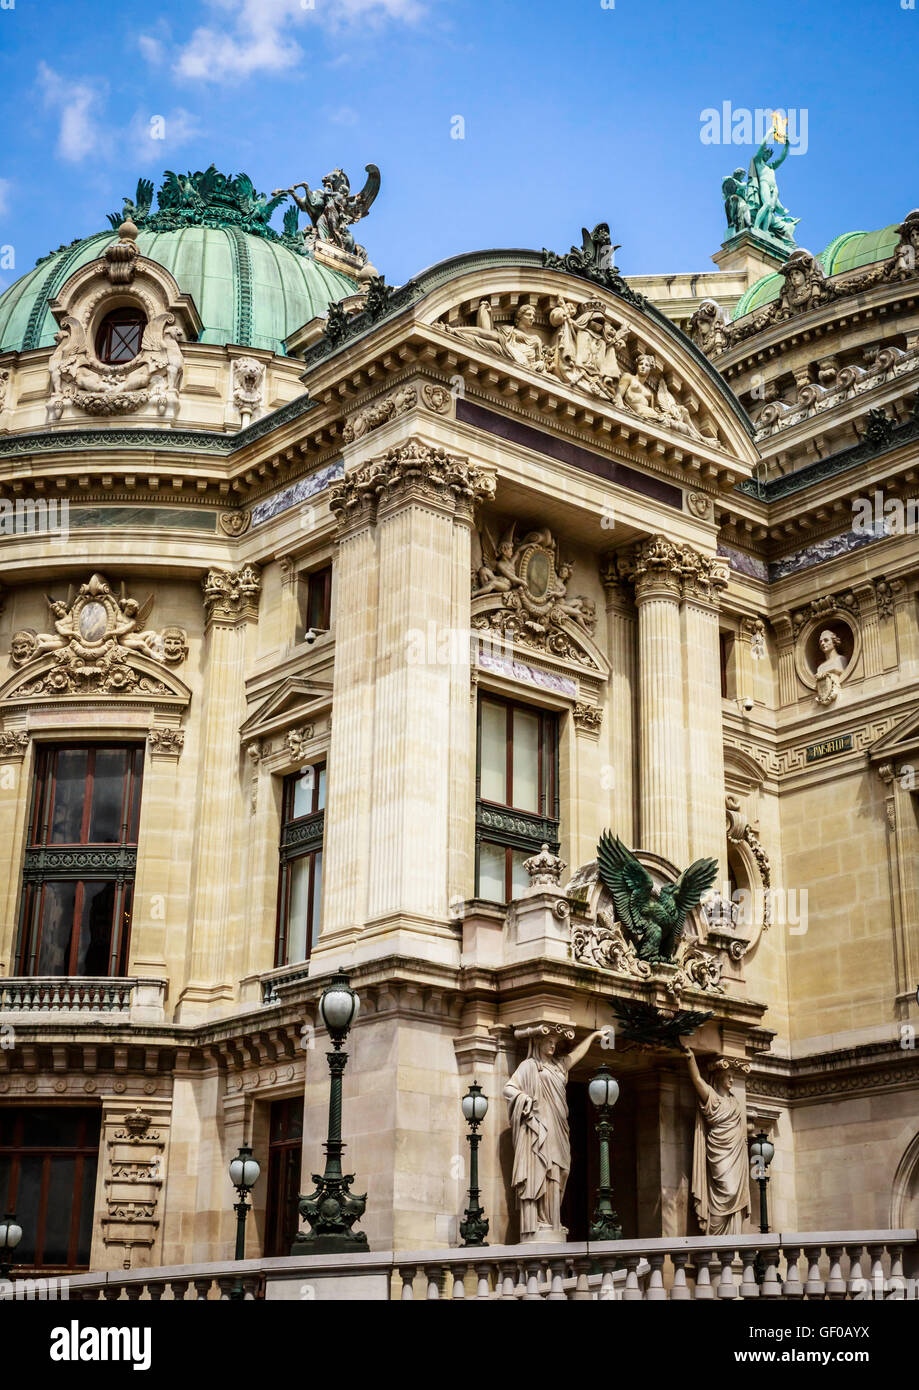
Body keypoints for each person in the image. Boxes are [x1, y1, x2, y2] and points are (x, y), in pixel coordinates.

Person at [505, 1025, 605, 1240]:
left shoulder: (559, 1067)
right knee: (545, 1169)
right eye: (548, 1041)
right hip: (541, 1127)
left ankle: (553, 1220)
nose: (552, 1045)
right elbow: (509, 1088)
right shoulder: (530, 1066)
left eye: (554, 1042)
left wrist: (594, 1036)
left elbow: (575, 1055)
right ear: (538, 1042)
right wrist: (527, 1101)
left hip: (560, 1127)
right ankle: (542, 1222)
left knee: (561, 1171)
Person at [680, 1042, 750, 1236]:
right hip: (719, 1152)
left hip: (736, 1155)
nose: (731, 1079)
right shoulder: (712, 1098)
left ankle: (733, 1244)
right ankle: (716, 1242)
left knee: (734, 1192)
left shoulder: (735, 1102)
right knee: (725, 1190)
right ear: (718, 1078)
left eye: (732, 1076)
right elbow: (696, 1079)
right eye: (728, 1076)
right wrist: (690, 1057)